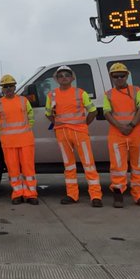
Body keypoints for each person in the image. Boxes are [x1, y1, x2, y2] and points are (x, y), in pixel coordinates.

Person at [45, 65, 104, 206]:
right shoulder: (51, 95)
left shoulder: (80, 93)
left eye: (67, 74)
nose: (64, 77)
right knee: (69, 166)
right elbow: (48, 114)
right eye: (60, 75)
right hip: (62, 134)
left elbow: (93, 111)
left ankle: (96, 196)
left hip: (80, 133)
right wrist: (59, 124)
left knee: (88, 165)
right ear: (56, 79)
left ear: (72, 78)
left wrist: (84, 125)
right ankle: (72, 195)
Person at [101, 62, 140, 208]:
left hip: (135, 132)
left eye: (122, 75)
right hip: (117, 134)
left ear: (127, 76)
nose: (119, 78)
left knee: (139, 165)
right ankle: (118, 194)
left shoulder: (136, 90)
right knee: (117, 165)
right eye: (115, 76)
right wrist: (120, 127)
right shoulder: (108, 94)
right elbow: (106, 112)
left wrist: (131, 125)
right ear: (111, 77)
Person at [0, 74, 37, 204]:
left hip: (25, 141)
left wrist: (25, 130)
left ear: (15, 87)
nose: (8, 88)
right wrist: (4, 135)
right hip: (9, 143)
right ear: (2, 89)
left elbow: (31, 117)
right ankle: (17, 194)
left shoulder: (23, 100)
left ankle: (31, 194)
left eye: (11, 86)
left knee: (28, 169)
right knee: (13, 169)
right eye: (5, 86)